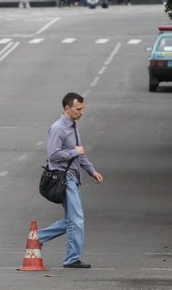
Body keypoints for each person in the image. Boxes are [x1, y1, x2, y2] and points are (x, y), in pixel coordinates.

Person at [38, 92, 104, 269]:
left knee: (71, 220)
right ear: (67, 108)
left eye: (82, 109)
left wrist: (91, 171)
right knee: (76, 220)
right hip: (63, 178)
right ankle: (72, 258)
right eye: (78, 109)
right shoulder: (58, 128)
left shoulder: (73, 126)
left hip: (73, 178)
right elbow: (53, 155)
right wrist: (75, 152)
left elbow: (79, 155)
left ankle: (38, 238)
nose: (81, 112)